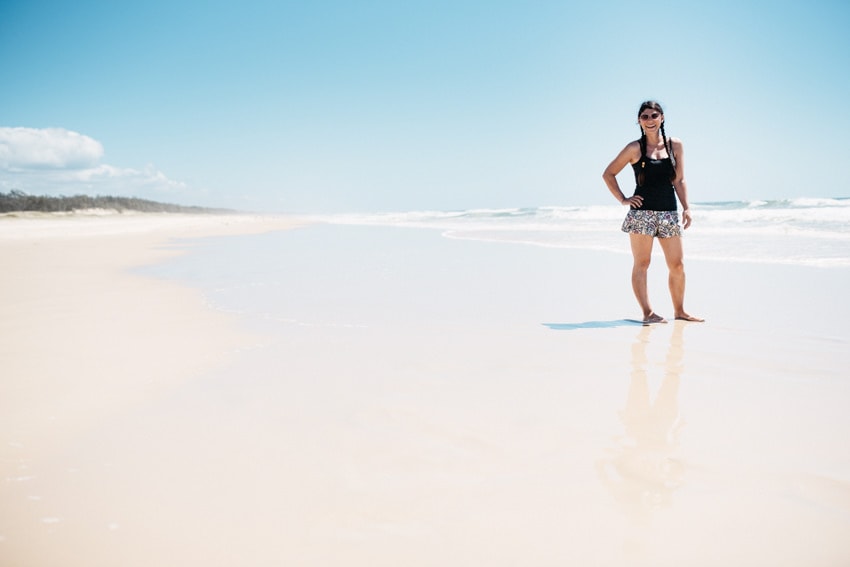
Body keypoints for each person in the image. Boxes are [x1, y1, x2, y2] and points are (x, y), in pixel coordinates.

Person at [602, 101, 703, 323]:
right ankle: (648, 313)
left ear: (662, 118)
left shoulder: (674, 145)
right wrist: (623, 199)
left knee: (677, 265)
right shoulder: (634, 148)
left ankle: (680, 311)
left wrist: (687, 207)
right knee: (642, 263)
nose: (650, 120)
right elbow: (608, 173)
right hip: (642, 214)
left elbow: (679, 179)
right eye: (645, 116)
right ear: (639, 121)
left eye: (654, 115)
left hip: (668, 212)